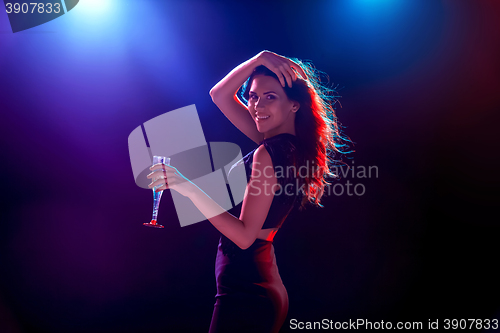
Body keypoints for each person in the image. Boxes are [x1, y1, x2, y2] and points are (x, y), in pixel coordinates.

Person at [147, 51, 351, 332]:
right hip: (256, 282)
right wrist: (259, 60)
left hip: (247, 291)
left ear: (294, 105)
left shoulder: (269, 151)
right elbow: (220, 95)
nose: (256, 106)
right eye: (253, 96)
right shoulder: (287, 146)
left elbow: (244, 237)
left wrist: (186, 186)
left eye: (270, 96)